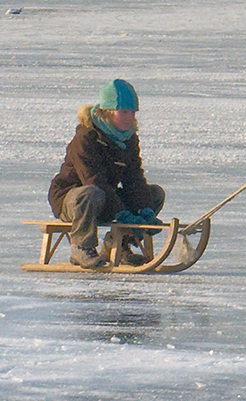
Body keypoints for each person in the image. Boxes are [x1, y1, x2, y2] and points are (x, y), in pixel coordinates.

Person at [48, 79, 165, 269]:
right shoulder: (86, 137)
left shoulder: (129, 138)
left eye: (133, 112)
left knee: (154, 195)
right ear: (108, 112)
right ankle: (81, 247)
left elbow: (134, 179)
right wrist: (122, 214)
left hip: (104, 198)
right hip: (73, 200)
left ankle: (119, 245)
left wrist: (145, 210)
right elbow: (93, 180)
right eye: (124, 112)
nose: (130, 117)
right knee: (91, 192)